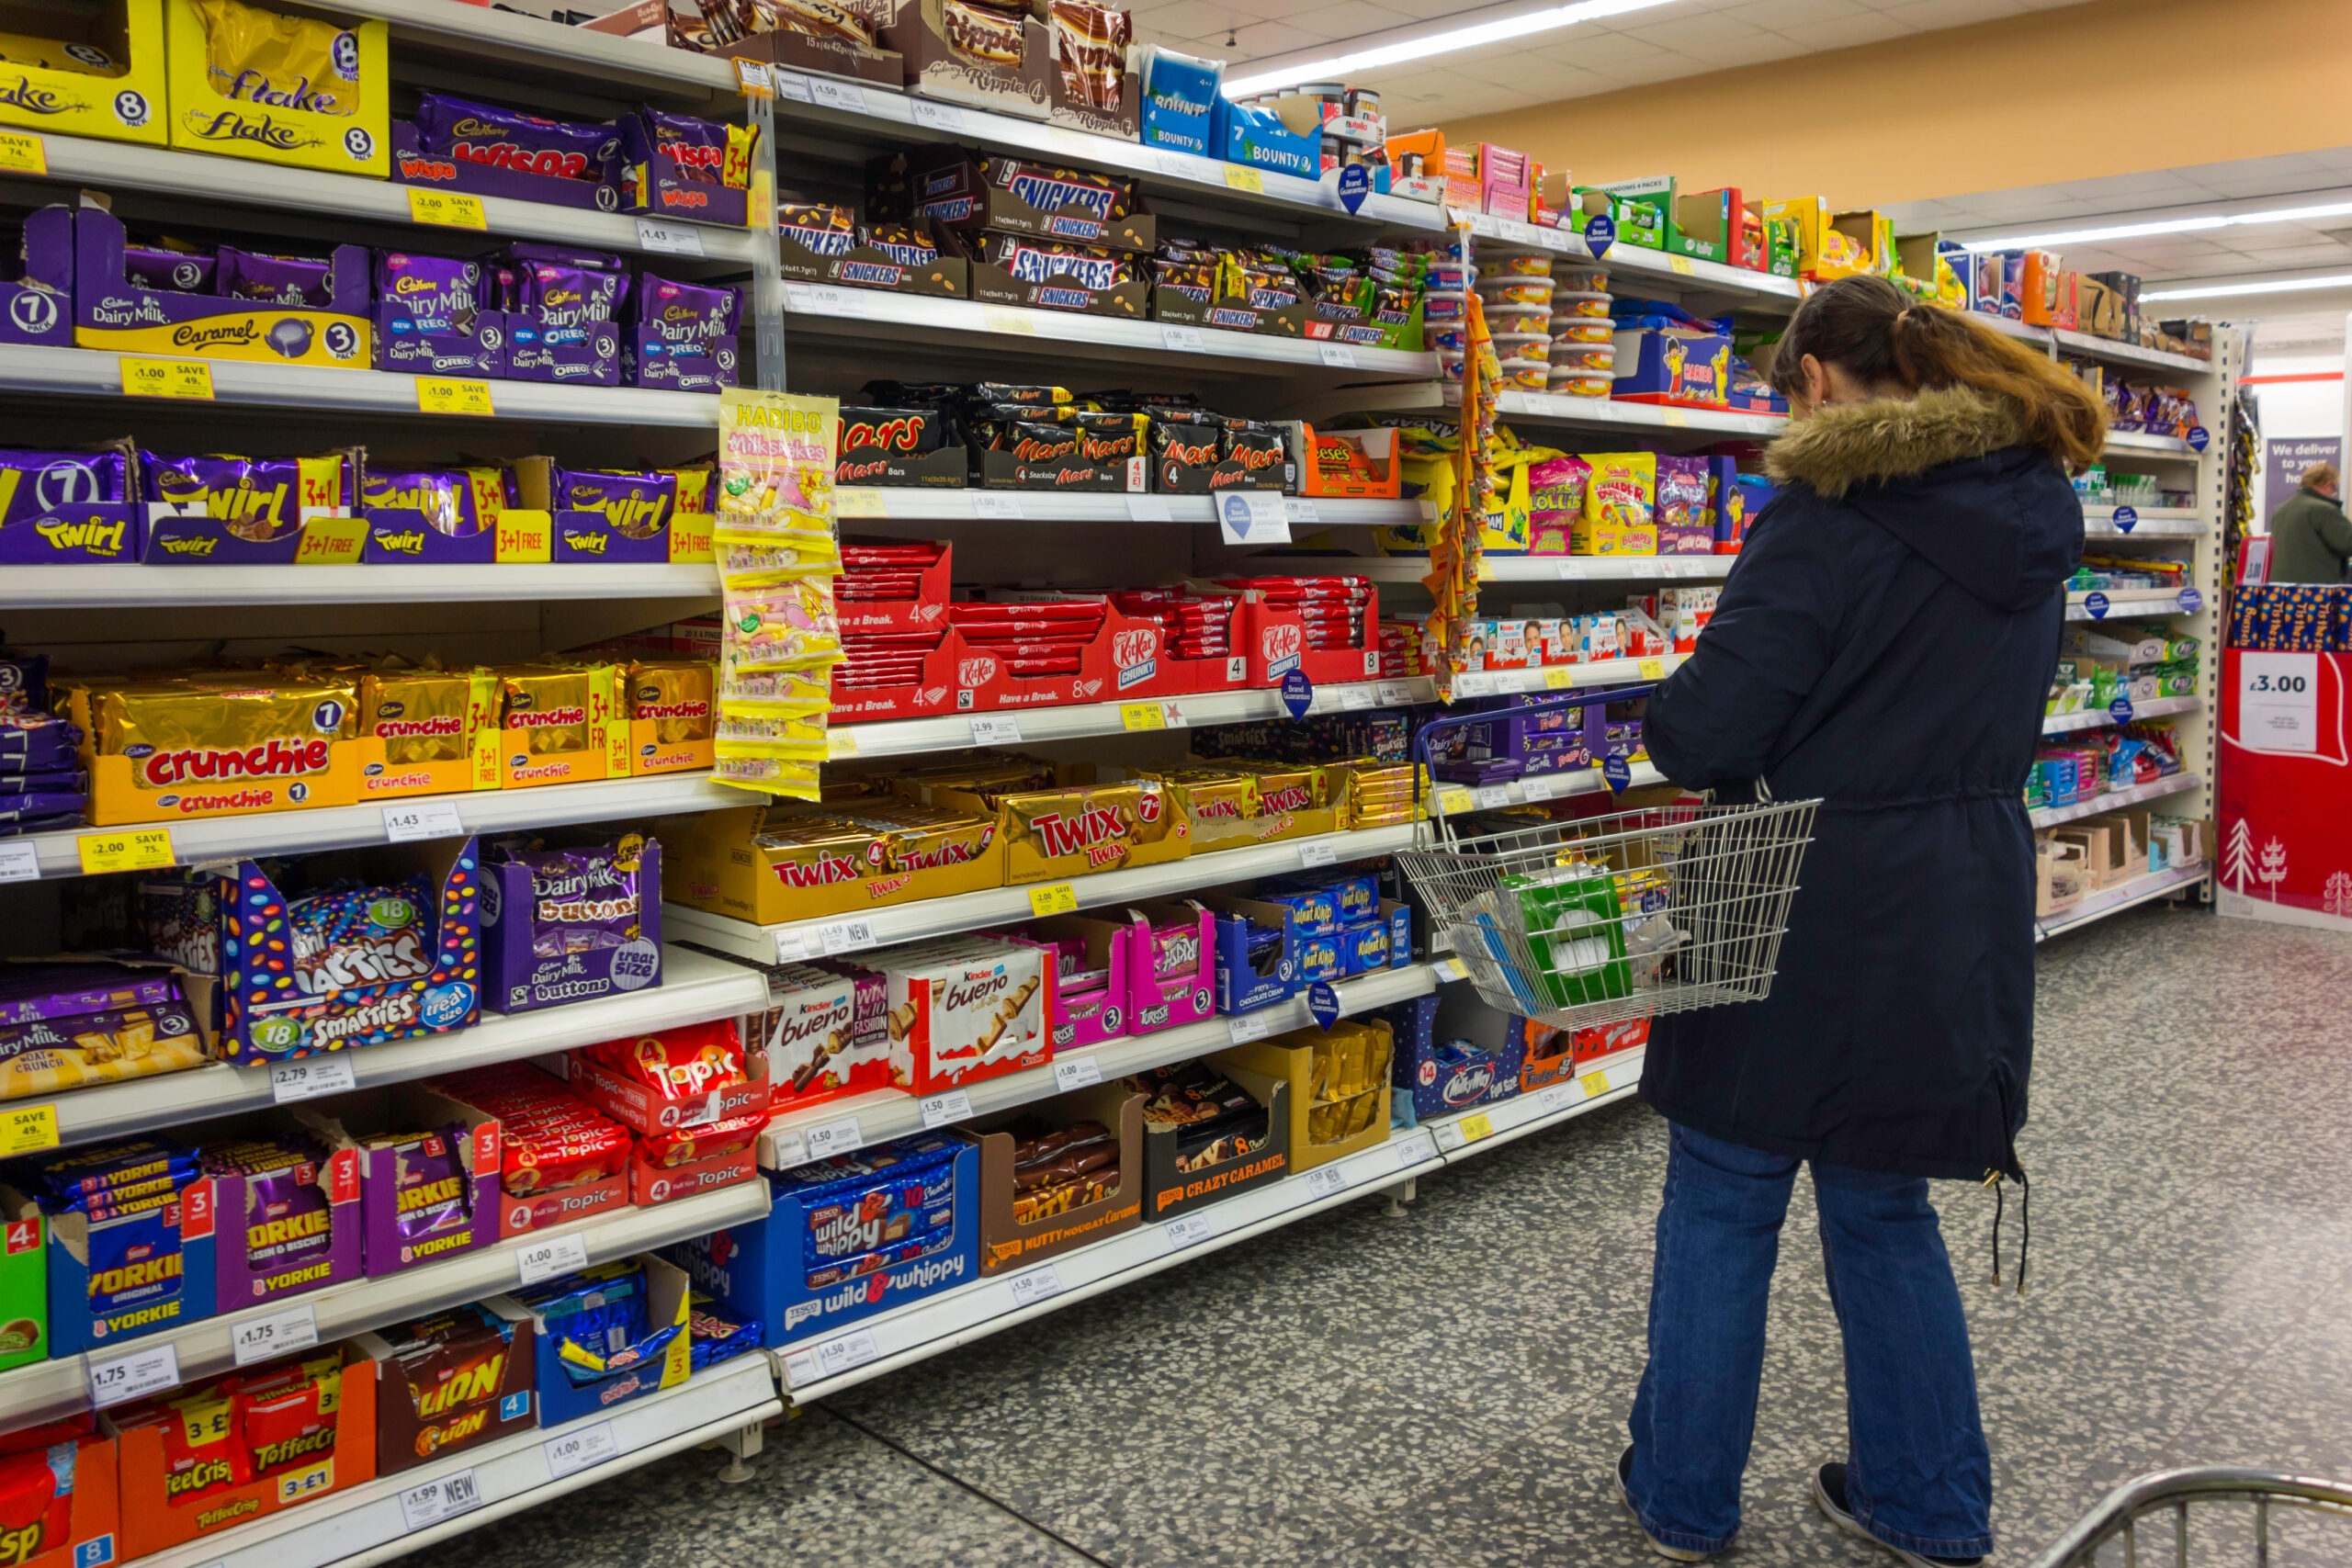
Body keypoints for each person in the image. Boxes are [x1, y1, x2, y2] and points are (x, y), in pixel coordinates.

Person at [1614, 275, 2103, 1567]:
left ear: (1820, 382)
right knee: (1886, 1205)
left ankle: (1684, 1496)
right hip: (1953, 889)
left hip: (1789, 881)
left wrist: (1668, 701)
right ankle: (1929, 1503)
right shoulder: (2035, 506)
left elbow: (1709, 730)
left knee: (1725, 1194)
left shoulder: (1821, 517)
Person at [2266, 460, 2352, 583]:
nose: (2333, 495)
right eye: (2334, 490)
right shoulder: (2324, 510)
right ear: (2328, 484)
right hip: (2315, 592)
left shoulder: (2280, 511)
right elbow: (2348, 543)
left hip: (2280, 591)